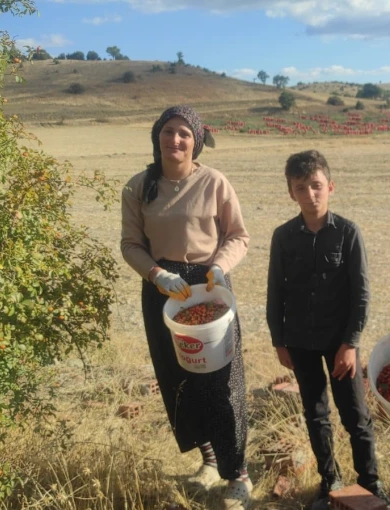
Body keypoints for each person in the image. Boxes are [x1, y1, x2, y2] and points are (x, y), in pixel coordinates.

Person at [120, 105, 252, 510]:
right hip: (163, 291)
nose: (175, 140)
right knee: (179, 379)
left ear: (196, 142)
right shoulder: (138, 187)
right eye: (168, 131)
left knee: (222, 382)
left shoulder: (214, 182)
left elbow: (238, 236)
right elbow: (131, 244)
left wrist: (218, 267)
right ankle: (209, 461)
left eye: (184, 134)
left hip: (209, 287)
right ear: (157, 135)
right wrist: (157, 274)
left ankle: (239, 475)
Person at [266, 150, 390, 510]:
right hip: (300, 341)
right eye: (301, 187)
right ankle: (330, 481)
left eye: (316, 185)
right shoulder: (283, 237)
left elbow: (361, 294)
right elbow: (275, 291)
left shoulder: (347, 233)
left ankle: (371, 484)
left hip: (340, 344)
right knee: (315, 413)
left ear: (330, 186)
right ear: (290, 193)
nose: (310, 194)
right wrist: (279, 341)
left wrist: (350, 343)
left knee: (355, 415)